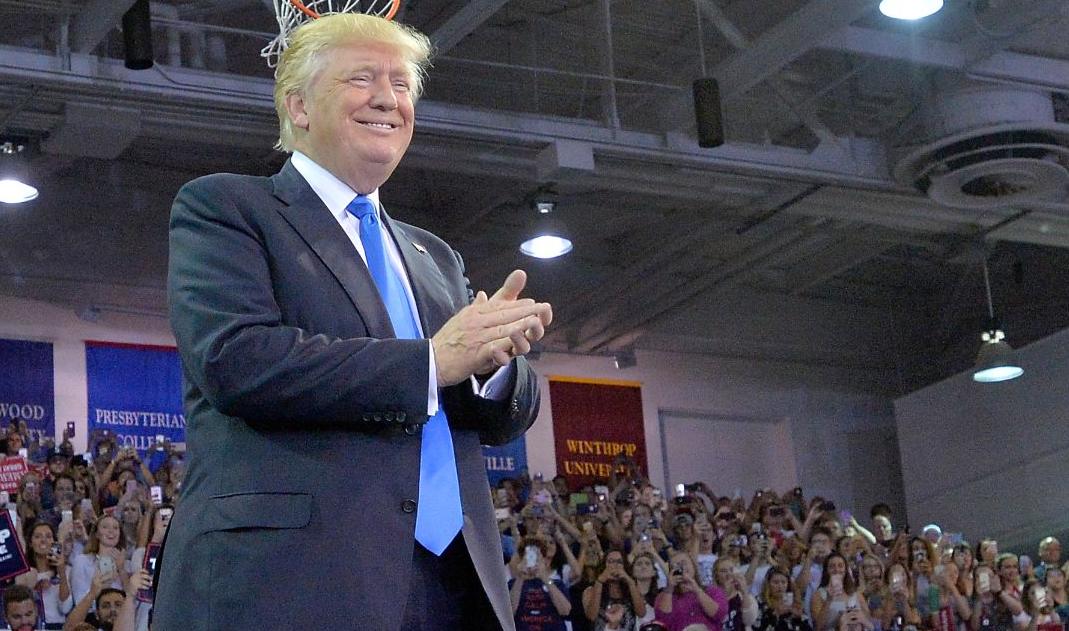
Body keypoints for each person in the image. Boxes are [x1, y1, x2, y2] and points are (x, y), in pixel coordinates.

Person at [155, 11, 551, 631]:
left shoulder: (434, 255)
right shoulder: (227, 208)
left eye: (401, 84)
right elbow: (236, 360)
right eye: (362, 79)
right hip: (292, 584)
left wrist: (494, 366)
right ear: (299, 106)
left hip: (451, 586)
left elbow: (497, 416)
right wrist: (433, 361)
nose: (387, 99)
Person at [14, 521, 74, 627]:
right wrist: (34, 590)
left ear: (54, 542)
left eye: (48, 536)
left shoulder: (67, 570)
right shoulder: (24, 573)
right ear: (30, 543)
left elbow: (65, 608)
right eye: (37, 537)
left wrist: (62, 573)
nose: (43, 540)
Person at [655, 552, 728, 631]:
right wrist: (669, 588)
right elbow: (663, 622)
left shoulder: (713, 591)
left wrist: (697, 590)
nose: (680, 568)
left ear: (693, 566)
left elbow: (719, 614)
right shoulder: (664, 596)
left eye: (683, 563)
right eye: (675, 565)